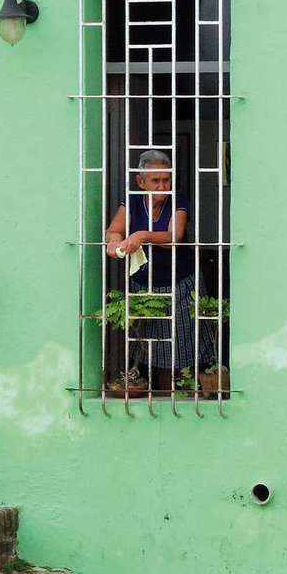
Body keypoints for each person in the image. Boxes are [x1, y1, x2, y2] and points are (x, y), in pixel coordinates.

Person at [104, 149, 194, 393]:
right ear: (140, 181)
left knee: (182, 350)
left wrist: (141, 235)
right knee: (150, 350)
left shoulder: (179, 200)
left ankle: (181, 399)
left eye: (166, 179)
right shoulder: (132, 200)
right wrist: (114, 239)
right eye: (155, 180)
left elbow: (175, 236)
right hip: (144, 286)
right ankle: (161, 398)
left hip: (180, 284)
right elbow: (114, 229)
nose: (162, 186)